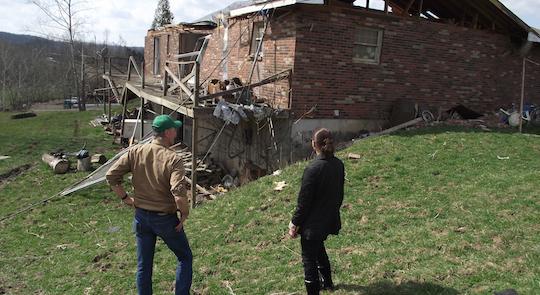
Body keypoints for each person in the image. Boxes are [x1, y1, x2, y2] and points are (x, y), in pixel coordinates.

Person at [106, 115, 192, 295]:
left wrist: (125, 198)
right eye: (174, 129)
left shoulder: (135, 151)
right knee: (185, 258)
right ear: (168, 133)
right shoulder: (173, 159)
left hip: (141, 217)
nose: (176, 132)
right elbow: (178, 192)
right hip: (165, 219)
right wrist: (184, 213)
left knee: (144, 266)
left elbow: (111, 176)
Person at [288, 128, 345, 295]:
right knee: (319, 248)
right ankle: (327, 283)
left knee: (308, 259)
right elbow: (339, 195)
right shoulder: (338, 165)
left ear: (314, 144)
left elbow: (303, 203)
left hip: (312, 225)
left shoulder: (313, 169)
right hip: (329, 219)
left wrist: (294, 223)